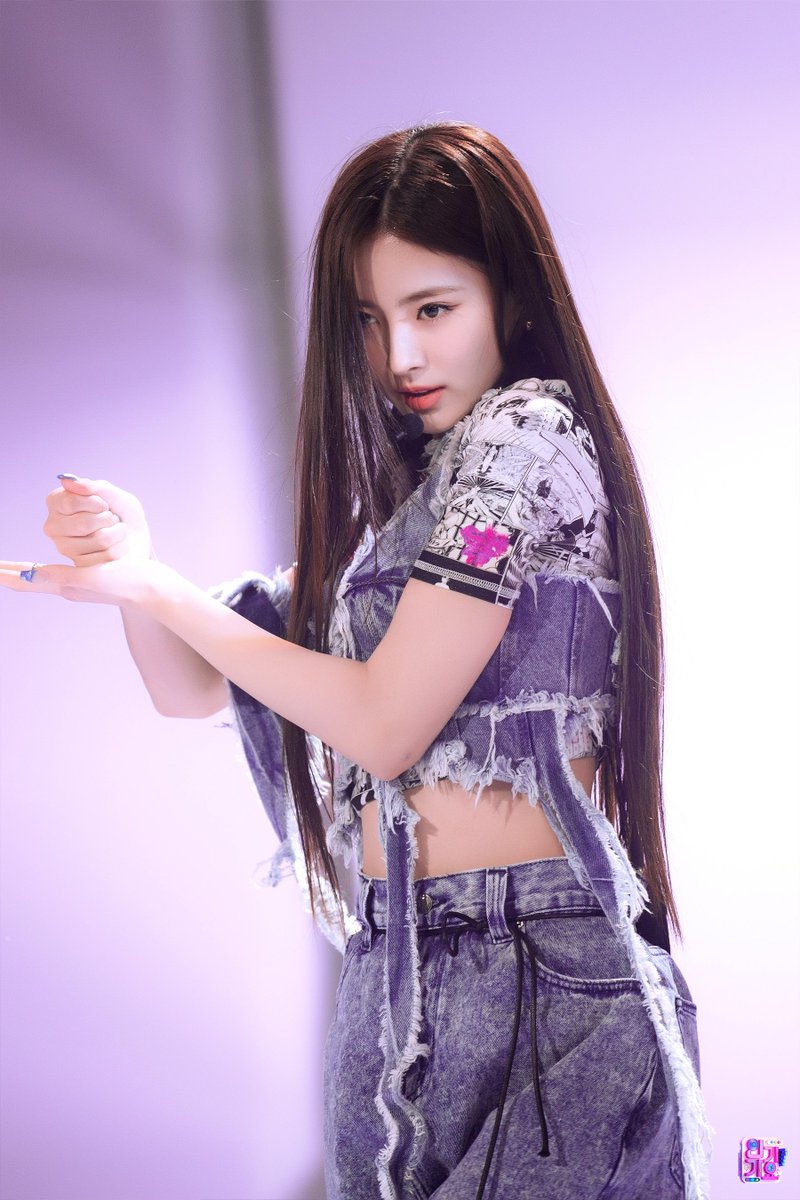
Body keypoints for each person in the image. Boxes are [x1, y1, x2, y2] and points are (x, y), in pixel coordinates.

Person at [1, 122, 713, 1199]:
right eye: (371, 321)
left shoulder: (525, 444)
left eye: (432, 309)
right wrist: (135, 566)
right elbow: (193, 688)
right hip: (393, 971)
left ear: (511, 297)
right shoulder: (407, 502)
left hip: (541, 966)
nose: (400, 358)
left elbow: (383, 723)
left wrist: (156, 590)